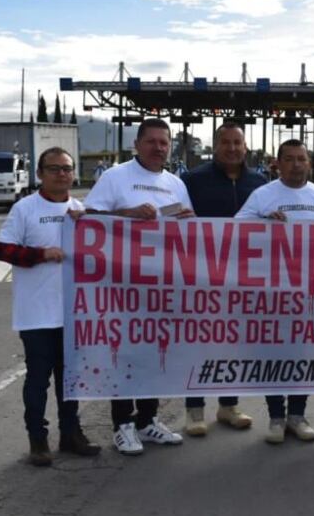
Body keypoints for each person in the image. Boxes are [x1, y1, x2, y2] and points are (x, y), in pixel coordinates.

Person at [84, 118, 194, 455]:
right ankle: (123, 425)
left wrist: (188, 222)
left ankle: (148, 420)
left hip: (161, 285)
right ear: (137, 144)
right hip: (122, 283)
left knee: (153, 354)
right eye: (152, 141)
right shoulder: (115, 177)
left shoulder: (176, 183)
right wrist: (128, 214)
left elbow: (186, 228)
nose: (159, 147)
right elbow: (89, 218)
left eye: (164, 142)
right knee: (124, 354)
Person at [0, 147, 100, 466]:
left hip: (72, 312)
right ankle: (38, 440)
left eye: (67, 169)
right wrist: (41, 254)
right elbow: (2, 250)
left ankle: (71, 434)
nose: (62, 174)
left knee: (70, 380)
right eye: (54, 169)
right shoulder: (25, 208)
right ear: (40, 174)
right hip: (37, 314)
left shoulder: (80, 209)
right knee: (38, 380)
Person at [235, 138, 314, 444]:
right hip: (271, 291)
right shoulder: (262, 194)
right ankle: (276, 417)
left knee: (301, 355)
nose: (296, 164)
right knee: (273, 355)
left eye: (301, 159)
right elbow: (235, 229)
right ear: (278, 163)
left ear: (309, 162)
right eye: (289, 159)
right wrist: (263, 223)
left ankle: (297, 416)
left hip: (307, 291)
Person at [179, 122, 265, 437]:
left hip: (243, 277)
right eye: (225, 142)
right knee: (199, 341)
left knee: (234, 342)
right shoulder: (193, 180)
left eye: (237, 143)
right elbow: (176, 220)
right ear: (216, 146)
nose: (232, 148)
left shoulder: (259, 182)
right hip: (202, 275)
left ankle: (228, 405)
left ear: (245, 146)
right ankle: (194, 409)